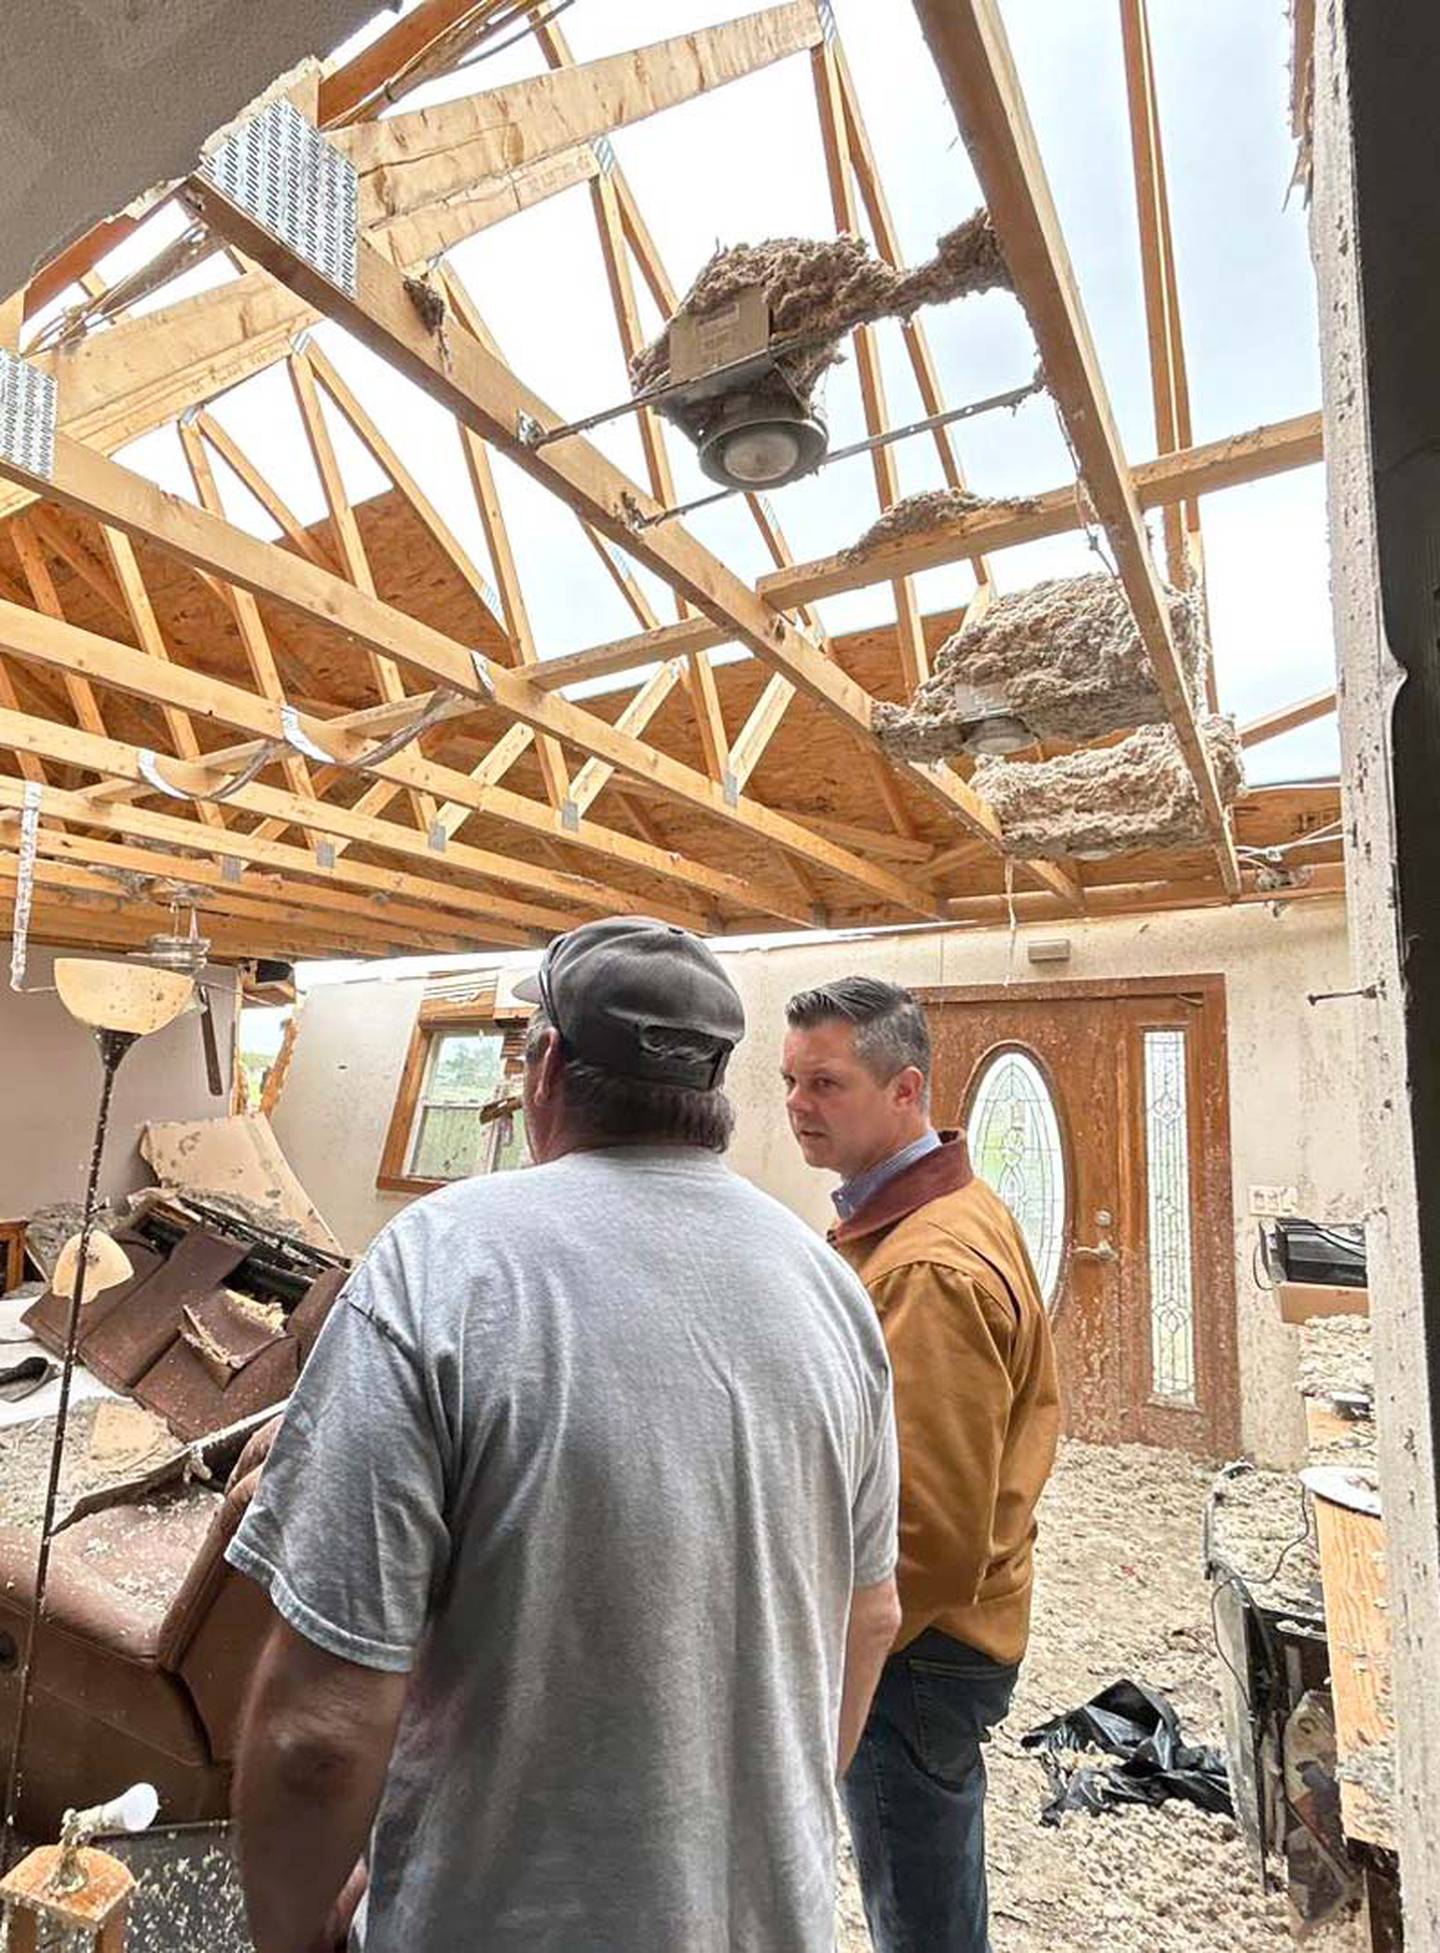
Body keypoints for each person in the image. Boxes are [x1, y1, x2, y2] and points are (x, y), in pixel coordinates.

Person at [226, 917, 901, 1953]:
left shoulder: (438, 1265)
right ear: (716, 1093)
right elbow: (870, 1618)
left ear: (544, 1068)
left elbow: (318, 1735)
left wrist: (287, 1934)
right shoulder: (831, 1294)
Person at [782, 976, 1061, 1953]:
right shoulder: (926, 1215)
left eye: (826, 1084)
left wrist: (843, 1648)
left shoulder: (929, 1265)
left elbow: (926, 1532)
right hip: (948, 1630)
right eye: (789, 1083)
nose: (796, 1107)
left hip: (920, 1650)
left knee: (921, 1908)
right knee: (929, 1880)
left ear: (906, 1092)